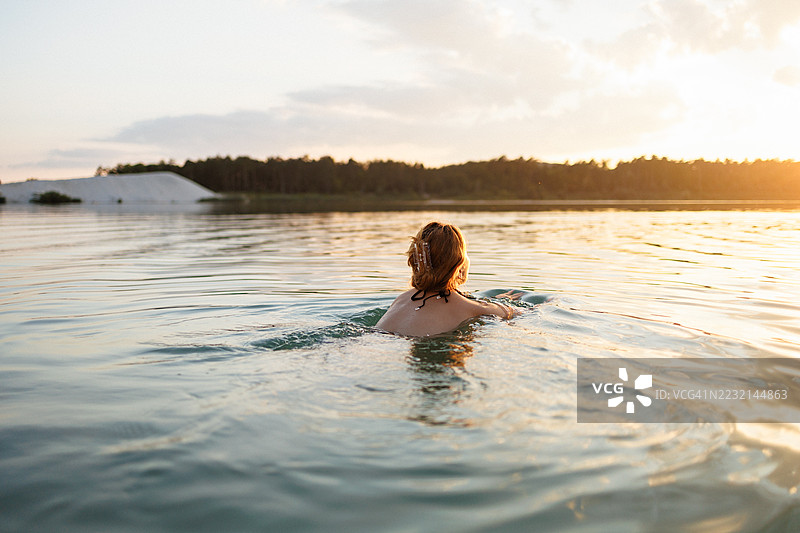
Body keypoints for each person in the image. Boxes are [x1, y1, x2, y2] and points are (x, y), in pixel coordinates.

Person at [377, 221, 521, 337]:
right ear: (459, 263)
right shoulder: (472, 309)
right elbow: (514, 313)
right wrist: (502, 303)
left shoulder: (401, 300)